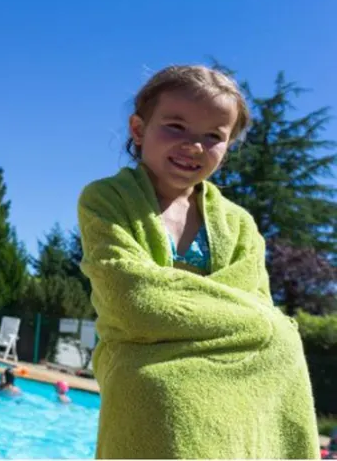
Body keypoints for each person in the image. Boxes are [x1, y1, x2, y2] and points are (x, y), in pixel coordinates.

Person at [78, 65, 318, 459]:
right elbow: (133, 301)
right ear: (138, 129)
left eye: (213, 136)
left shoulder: (239, 224)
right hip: (141, 358)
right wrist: (261, 322)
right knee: (160, 389)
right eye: (176, 126)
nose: (194, 146)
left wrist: (262, 324)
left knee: (284, 347)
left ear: (228, 146)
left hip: (237, 366)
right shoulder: (107, 200)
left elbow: (259, 306)